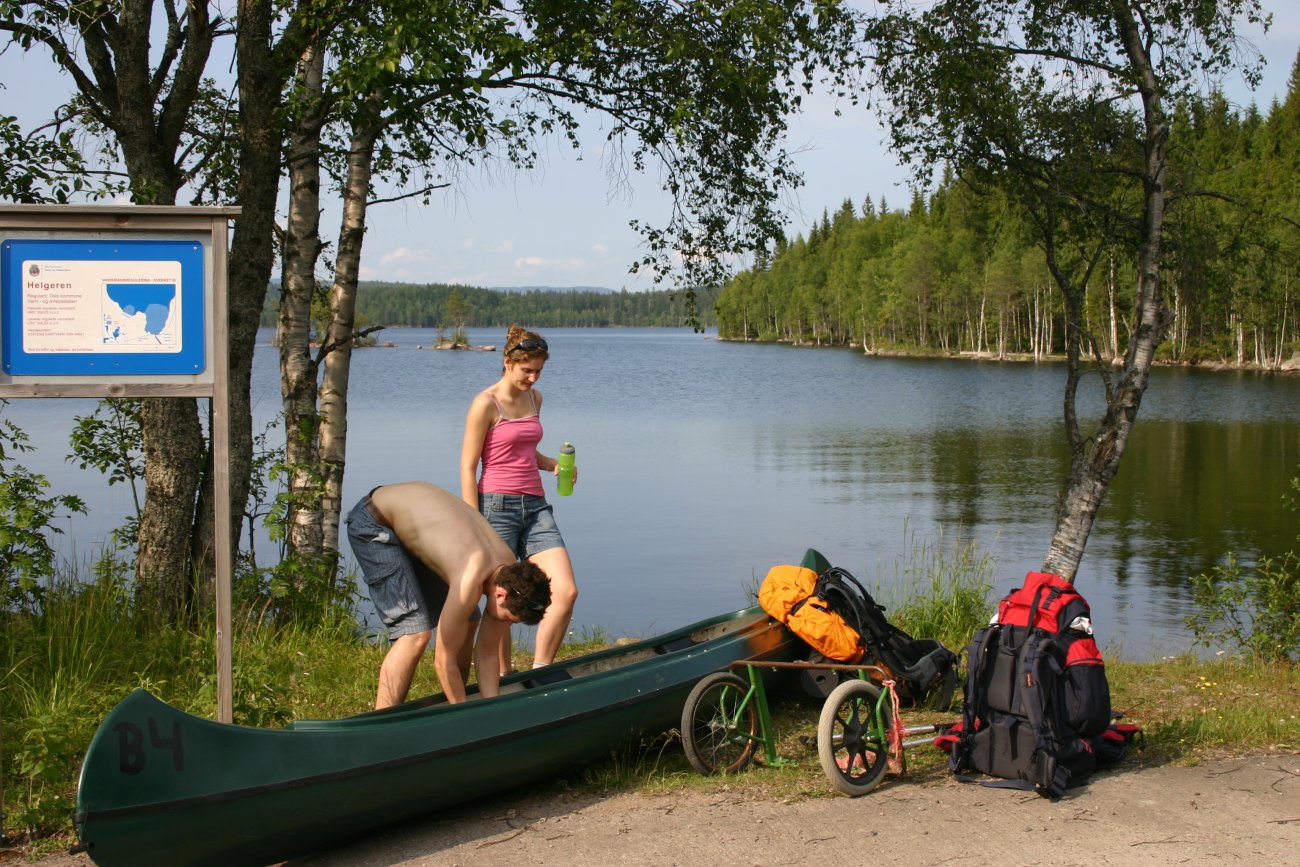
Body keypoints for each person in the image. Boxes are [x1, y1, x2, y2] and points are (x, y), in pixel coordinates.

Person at [345, 481, 551, 708]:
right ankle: (380, 723)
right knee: (415, 634)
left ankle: (456, 699)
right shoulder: (469, 579)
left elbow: (488, 653)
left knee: (470, 620)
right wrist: (465, 716)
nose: (506, 625)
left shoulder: (510, 571)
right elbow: (443, 661)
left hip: (417, 528)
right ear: (500, 594)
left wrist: (493, 709)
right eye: (508, 619)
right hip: (375, 521)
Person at [461, 325, 579, 674]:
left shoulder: (534, 399)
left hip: (536, 507)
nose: (532, 378)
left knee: (566, 591)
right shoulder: (485, 404)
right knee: (503, 599)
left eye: (538, 371)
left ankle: (540, 672)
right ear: (507, 362)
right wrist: (474, 522)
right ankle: (504, 673)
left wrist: (554, 465)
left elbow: (525, 452)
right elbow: (468, 467)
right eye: (526, 370)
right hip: (496, 507)